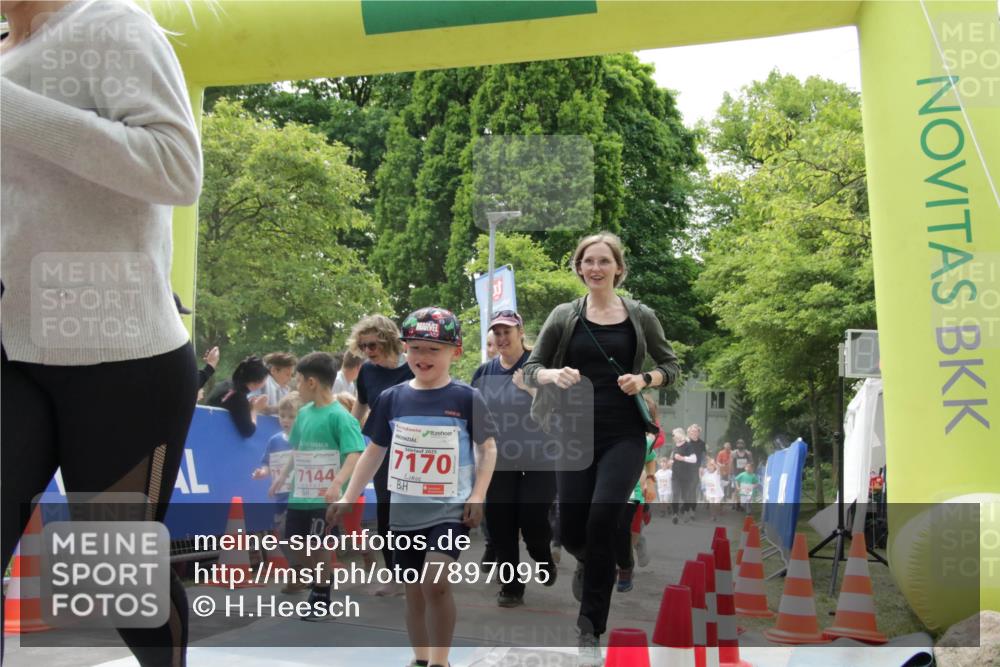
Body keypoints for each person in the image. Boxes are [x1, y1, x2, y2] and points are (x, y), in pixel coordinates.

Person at [1, 0, 202, 663]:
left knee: (114, 581)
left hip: (121, 357)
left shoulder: (112, 24)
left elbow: (177, 167)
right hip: (11, 349)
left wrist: (10, 106)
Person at [521, 231, 678, 663]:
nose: (595, 268)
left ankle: (590, 629)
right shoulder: (563, 316)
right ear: (578, 267)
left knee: (604, 514)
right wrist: (552, 376)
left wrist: (645, 380)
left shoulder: (640, 316)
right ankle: (598, 560)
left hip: (623, 433)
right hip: (571, 431)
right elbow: (532, 367)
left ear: (618, 268)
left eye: (604, 261)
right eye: (588, 261)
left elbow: (671, 366)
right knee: (572, 529)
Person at [332, 307, 498, 667]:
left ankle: (441, 661)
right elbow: (373, 453)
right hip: (404, 510)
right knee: (414, 591)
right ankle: (421, 659)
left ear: (454, 352)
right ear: (405, 349)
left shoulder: (467, 398)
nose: (423, 357)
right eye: (416, 348)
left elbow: (488, 448)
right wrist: (349, 494)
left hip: (450, 509)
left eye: (433, 349)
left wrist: (478, 493)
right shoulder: (391, 398)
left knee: (435, 580)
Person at [269, 352, 365, 617]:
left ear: (311, 382)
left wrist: (337, 484)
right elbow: (297, 450)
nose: (296, 387)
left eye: (298, 381)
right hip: (301, 493)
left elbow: (355, 453)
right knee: (293, 544)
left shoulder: (341, 417)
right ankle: (316, 581)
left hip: (325, 497)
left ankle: (321, 596)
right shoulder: (304, 415)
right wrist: (281, 477)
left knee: (320, 545)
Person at [472, 310, 556, 608]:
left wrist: (531, 389)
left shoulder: (541, 367)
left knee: (533, 520)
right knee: (501, 524)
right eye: (497, 331)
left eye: (507, 331)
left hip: (540, 458)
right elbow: (475, 417)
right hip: (499, 460)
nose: (502, 337)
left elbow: (561, 413)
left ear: (521, 332)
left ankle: (542, 554)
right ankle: (511, 587)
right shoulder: (484, 373)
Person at [347, 314, 414, 595]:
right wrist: (350, 440)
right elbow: (361, 407)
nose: (367, 352)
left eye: (372, 345)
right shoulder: (366, 372)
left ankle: (421, 570)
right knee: (387, 513)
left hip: (417, 450)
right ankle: (396, 576)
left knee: (415, 512)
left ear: (388, 341)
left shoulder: (414, 366)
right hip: (384, 450)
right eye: (362, 347)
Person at [251, 391, 302, 590]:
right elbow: (267, 463)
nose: (286, 420)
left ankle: (303, 574)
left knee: (296, 536)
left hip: (300, 497)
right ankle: (299, 571)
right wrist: (262, 472)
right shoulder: (274, 440)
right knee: (282, 536)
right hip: (280, 497)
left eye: (291, 416)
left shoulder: (305, 438)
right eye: (282, 416)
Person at [614, 396, 659, 593]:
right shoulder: (609, 428)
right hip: (607, 487)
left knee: (625, 531)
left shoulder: (647, 439)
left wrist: (650, 480)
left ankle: (624, 565)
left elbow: (651, 458)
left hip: (634, 493)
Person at [206, 356, 270, 437]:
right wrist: (255, 410)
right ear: (257, 382)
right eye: (265, 380)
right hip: (215, 434)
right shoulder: (238, 396)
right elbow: (248, 431)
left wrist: (248, 406)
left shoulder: (227, 384)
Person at [252, 352, 297, 416]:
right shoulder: (261, 381)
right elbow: (251, 404)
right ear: (273, 370)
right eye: (287, 374)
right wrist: (277, 409)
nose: (290, 378)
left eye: (291, 375)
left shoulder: (285, 390)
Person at [669, 427, 698, 523]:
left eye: (673, 435)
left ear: (679, 434)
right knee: (675, 494)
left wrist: (682, 458)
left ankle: (684, 511)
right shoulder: (675, 446)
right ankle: (675, 514)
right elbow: (672, 459)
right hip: (675, 475)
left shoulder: (688, 445)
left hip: (686, 475)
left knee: (685, 496)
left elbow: (694, 459)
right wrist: (670, 462)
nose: (672, 437)